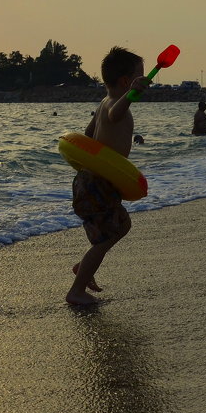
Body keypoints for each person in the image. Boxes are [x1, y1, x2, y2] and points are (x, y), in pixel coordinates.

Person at [67, 46, 150, 307]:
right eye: (140, 77)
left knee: (120, 227)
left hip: (92, 180)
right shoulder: (115, 105)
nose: (144, 80)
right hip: (98, 183)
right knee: (106, 237)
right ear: (127, 81)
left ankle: (84, 268)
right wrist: (133, 94)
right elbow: (116, 114)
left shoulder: (102, 104)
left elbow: (88, 136)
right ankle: (76, 291)